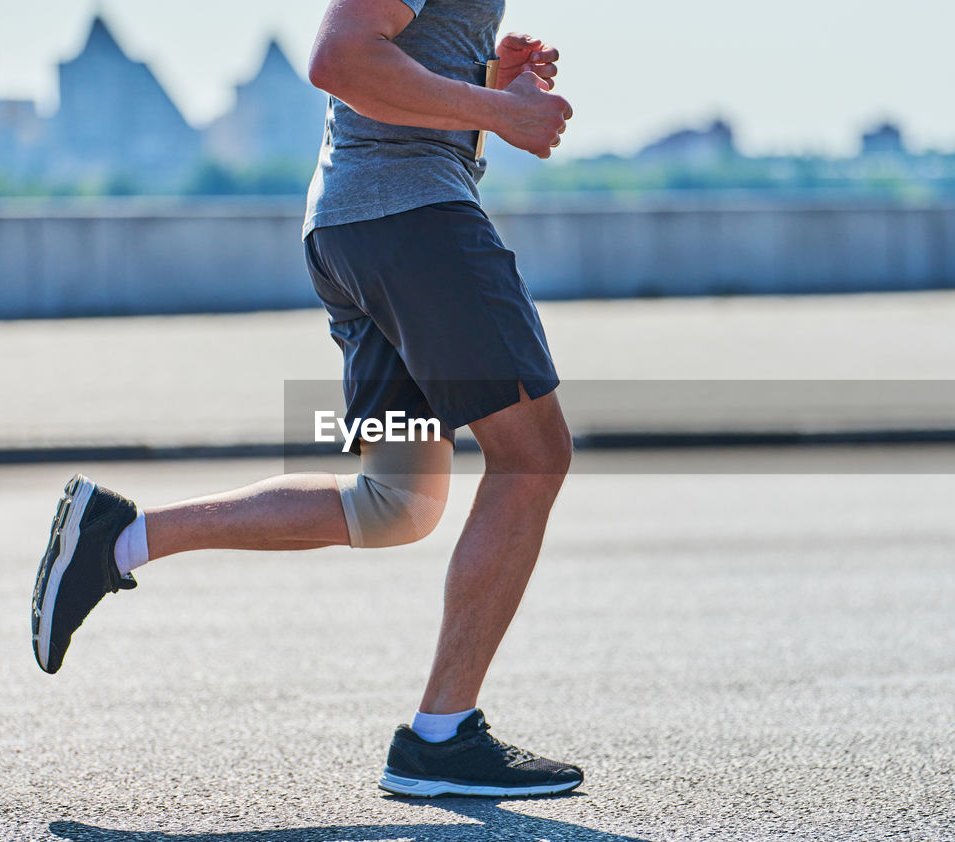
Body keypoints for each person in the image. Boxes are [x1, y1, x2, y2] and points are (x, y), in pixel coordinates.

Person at [30, 0, 579, 798]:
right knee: (534, 455)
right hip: (412, 223)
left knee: (397, 502)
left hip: (362, 227)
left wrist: (486, 74)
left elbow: (390, 73)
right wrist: (502, 109)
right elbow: (340, 60)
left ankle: (115, 540)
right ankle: (441, 736)